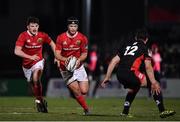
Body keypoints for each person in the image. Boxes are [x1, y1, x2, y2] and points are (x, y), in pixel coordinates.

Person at [101, 28, 176, 118]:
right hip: (131, 73)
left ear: (136, 38)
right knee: (156, 85)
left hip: (119, 74)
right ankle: (162, 111)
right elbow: (148, 67)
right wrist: (153, 82)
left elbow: (113, 61)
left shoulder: (126, 45)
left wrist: (107, 77)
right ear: (146, 39)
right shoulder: (145, 48)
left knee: (135, 87)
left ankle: (125, 112)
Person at [14, 16, 56, 113]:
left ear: (38, 26)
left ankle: (39, 101)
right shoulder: (23, 36)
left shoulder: (42, 35)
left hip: (38, 61)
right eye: (32, 26)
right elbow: (16, 51)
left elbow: (52, 44)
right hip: (26, 65)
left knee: (36, 78)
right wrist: (30, 57)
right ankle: (40, 100)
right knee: (33, 84)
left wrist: (56, 56)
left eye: (36, 26)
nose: (34, 28)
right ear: (28, 27)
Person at [55, 17, 90, 115]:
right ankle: (86, 109)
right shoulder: (61, 37)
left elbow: (84, 54)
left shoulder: (82, 38)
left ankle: (78, 96)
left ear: (77, 27)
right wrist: (66, 60)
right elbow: (57, 54)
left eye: (75, 26)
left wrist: (78, 60)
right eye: (71, 26)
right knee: (77, 90)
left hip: (78, 67)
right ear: (68, 26)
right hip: (65, 68)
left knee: (84, 91)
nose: (73, 28)